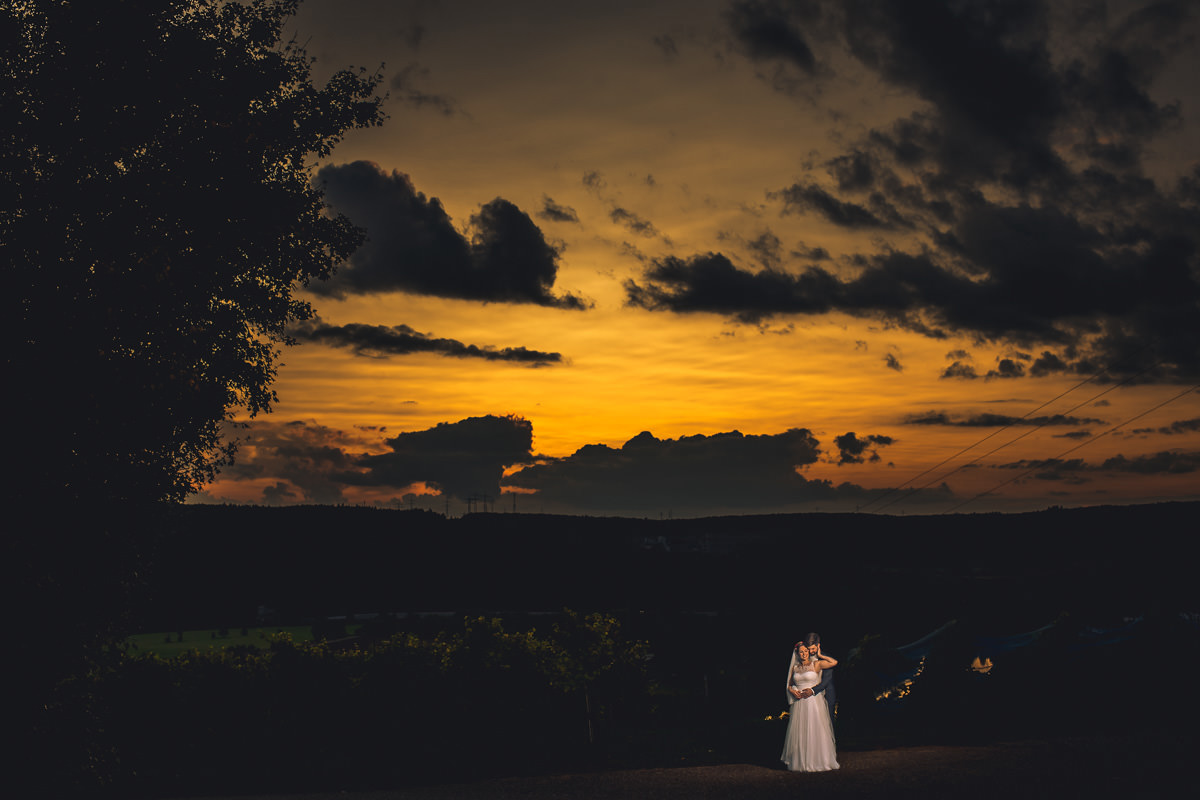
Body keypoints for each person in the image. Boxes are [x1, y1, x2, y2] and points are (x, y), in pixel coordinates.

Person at [781, 639, 839, 772]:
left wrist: (820, 654)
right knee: (801, 731)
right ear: (797, 654)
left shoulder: (816, 664)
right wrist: (792, 691)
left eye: (806, 651)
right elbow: (790, 684)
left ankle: (818, 760)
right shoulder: (795, 668)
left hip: (813, 701)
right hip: (799, 702)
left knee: (815, 729)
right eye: (801, 652)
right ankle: (801, 761)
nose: (804, 654)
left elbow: (834, 662)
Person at [795, 632, 835, 723]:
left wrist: (812, 690)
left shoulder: (826, 658)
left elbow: (826, 680)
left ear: (818, 645)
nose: (811, 651)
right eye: (809, 649)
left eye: (813, 648)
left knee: (827, 724)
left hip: (826, 695)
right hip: (807, 698)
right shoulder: (804, 658)